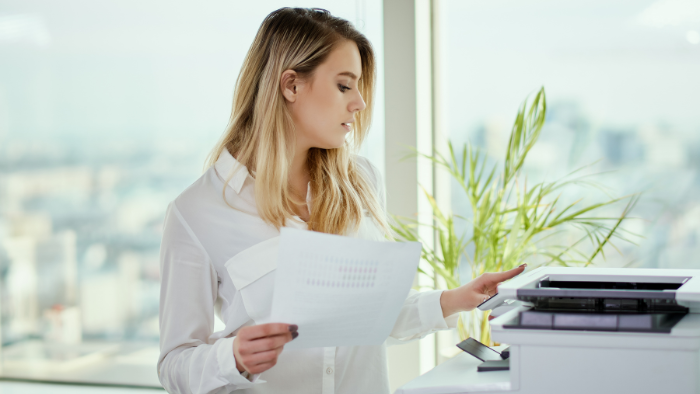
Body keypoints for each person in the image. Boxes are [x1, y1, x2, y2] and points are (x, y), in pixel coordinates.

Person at [157, 7, 525, 394]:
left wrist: (455, 300)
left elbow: (369, 314)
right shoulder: (196, 213)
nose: (361, 103)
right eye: (345, 86)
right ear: (291, 86)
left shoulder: (361, 180)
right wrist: (231, 357)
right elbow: (174, 364)